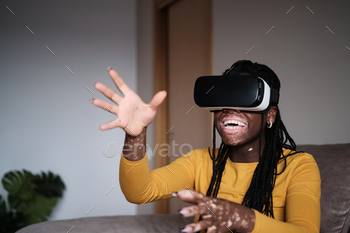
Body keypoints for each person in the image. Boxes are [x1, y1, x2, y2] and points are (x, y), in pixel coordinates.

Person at [91, 60, 321, 233]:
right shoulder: (200, 161)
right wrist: (136, 136)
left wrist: (243, 218)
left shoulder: (298, 165)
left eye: (243, 98)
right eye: (223, 100)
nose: (230, 109)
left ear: (270, 115)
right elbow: (138, 192)